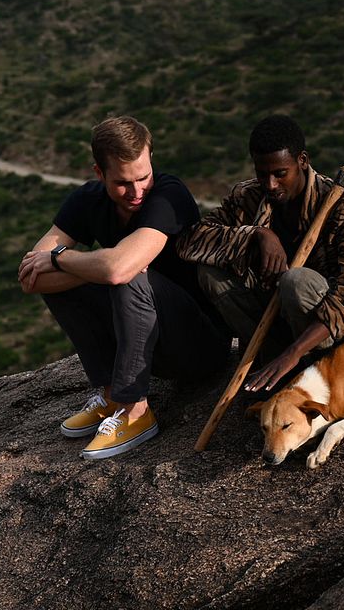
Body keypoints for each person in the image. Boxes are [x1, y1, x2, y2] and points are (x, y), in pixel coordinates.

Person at [18, 116, 229, 460]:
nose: (136, 192)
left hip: (199, 345)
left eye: (143, 177)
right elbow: (32, 276)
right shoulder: (87, 200)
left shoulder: (169, 196)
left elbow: (119, 271)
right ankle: (112, 396)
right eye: (122, 183)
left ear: (151, 161)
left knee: (130, 276)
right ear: (99, 173)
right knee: (88, 280)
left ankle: (135, 411)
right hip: (146, 343)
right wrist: (100, 267)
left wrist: (63, 258)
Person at [177, 114, 344, 395]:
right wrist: (257, 234)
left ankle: (314, 370)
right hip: (277, 324)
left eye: (280, 174)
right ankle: (269, 364)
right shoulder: (248, 197)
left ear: (302, 161)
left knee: (295, 281)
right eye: (262, 174)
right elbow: (190, 242)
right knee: (210, 273)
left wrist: (294, 352)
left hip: (333, 332)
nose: (270, 184)